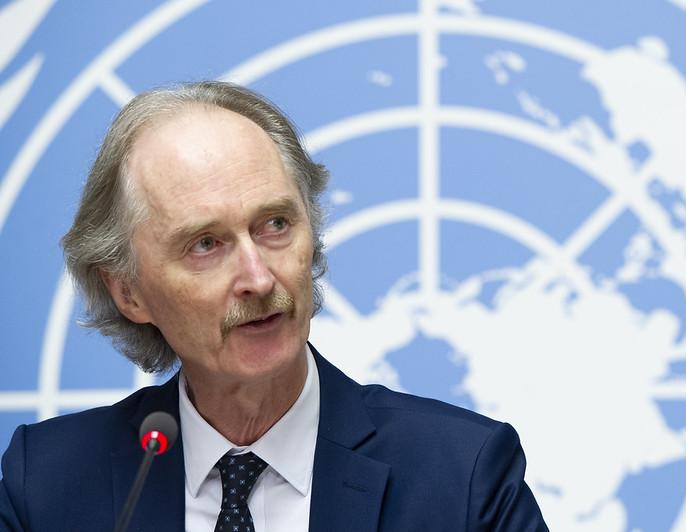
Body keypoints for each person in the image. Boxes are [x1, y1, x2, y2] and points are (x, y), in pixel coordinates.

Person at [0, 81, 548, 531]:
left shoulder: (463, 475)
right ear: (129, 292)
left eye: (276, 225)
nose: (259, 278)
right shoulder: (46, 485)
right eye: (205, 244)